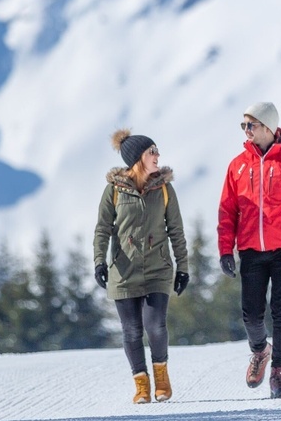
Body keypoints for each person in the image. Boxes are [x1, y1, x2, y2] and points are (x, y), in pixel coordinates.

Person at [217, 102, 281, 399]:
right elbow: (227, 210)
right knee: (251, 314)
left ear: (267, 127)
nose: (246, 131)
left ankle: (279, 373)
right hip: (250, 250)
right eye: (243, 126)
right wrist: (226, 250)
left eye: (251, 125)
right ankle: (261, 350)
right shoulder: (237, 165)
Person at [94, 129, 189, 404]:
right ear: (137, 158)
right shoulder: (114, 190)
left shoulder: (165, 189)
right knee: (132, 331)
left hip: (158, 268)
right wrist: (99, 261)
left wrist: (183, 267)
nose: (158, 156)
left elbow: (177, 231)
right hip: (123, 272)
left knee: (156, 326)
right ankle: (142, 386)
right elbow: (102, 229)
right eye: (152, 152)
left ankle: (161, 379)